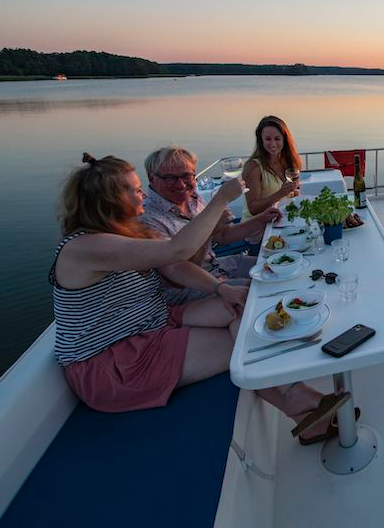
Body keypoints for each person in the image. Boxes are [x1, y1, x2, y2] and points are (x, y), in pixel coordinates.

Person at [50, 153, 348, 444]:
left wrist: (221, 289)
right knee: (243, 343)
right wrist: (220, 200)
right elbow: (176, 251)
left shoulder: (128, 233)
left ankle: (300, 405)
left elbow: (176, 266)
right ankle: (299, 402)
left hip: (154, 322)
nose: (143, 193)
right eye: (136, 189)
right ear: (110, 199)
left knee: (245, 303)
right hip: (113, 362)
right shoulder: (84, 248)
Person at [140, 145, 281, 303]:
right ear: (152, 178)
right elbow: (178, 274)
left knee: (281, 269)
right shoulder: (147, 219)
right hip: (191, 287)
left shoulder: (192, 197)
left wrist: (262, 218)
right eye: (170, 178)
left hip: (219, 265)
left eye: (187, 176)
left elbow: (222, 236)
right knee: (269, 289)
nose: (180, 185)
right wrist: (213, 225)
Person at [242, 116, 302, 220]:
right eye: (268, 139)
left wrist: (294, 193)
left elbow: (292, 194)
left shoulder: (290, 162)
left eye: (277, 139)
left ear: (285, 139)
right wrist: (281, 193)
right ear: (261, 140)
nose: (273, 144)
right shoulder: (253, 167)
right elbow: (253, 209)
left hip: (282, 219)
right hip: (258, 226)